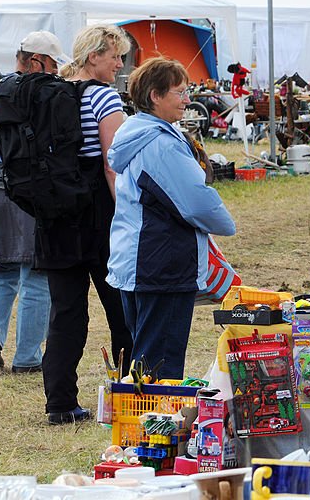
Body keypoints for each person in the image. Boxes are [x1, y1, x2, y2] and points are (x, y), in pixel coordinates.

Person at [107, 58, 236, 379]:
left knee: (145, 357)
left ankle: (139, 420)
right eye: (179, 93)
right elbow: (195, 202)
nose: (187, 100)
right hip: (160, 265)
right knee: (158, 366)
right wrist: (227, 224)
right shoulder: (161, 144)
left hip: (136, 261)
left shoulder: (134, 134)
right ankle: (151, 425)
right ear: (155, 96)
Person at [39, 25, 134, 425]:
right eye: (115, 55)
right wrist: (127, 215)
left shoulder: (50, 91)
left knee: (65, 312)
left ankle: (60, 403)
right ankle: (132, 394)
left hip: (54, 214)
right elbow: (113, 164)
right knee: (122, 308)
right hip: (97, 213)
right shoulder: (102, 95)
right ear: (93, 56)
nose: (119, 63)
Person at [0, 32, 67, 373]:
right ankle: (28, 357)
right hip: (29, 193)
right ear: (37, 61)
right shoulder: (45, 96)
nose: (55, 72)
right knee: (36, 273)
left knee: (4, 267)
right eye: (53, 64)